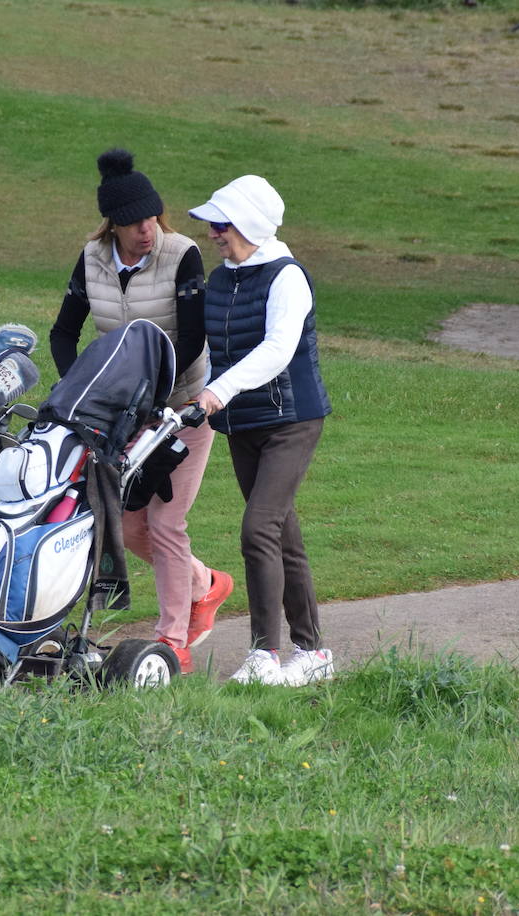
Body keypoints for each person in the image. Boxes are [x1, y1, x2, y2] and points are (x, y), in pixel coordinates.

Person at [50, 148, 233, 675]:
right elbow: (64, 332)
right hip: (126, 419)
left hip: (184, 410)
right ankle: (206, 585)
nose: (145, 231)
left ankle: (172, 638)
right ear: (114, 224)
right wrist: (83, 389)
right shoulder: (91, 259)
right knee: (128, 527)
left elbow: (194, 336)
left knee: (166, 521)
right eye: (133, 223)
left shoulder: (182, 254)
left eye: (151, 218)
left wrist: (159, 402)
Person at [187, 174, 335, 687]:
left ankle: (264, 654)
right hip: (244, 422)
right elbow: (221, 350)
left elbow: (276, 350)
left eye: (221, 223)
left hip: (291, 421)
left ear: (248, 224)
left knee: (258, 529)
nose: (213, 233)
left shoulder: (287, 277)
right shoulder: (223, 276)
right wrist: (201, 393)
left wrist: (216, 393)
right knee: (281, 534)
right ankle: (314, 655)